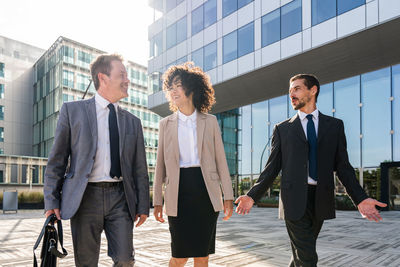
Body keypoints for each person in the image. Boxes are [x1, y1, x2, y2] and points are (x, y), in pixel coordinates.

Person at [235, 74, 387, 267]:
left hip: (320, 199)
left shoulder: (334, 126)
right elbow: (271, 168)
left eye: (297, 89)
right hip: (293, 199)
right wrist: (251, 195)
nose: (291, 94)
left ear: (313, 90)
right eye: (290, 91)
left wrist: (360, 198)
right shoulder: (282, 129)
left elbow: (343, 167)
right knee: (307, 256)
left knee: (302, 253)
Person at [43, 54, 149, 267]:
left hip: (121, 197)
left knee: (125, 259)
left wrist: (143, 204)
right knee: (86, 263)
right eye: (122, 75)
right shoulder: (72, 111)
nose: (128, 80)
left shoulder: (133, 122)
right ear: (103, 78)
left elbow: (140, 168)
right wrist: (51, 200)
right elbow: (57, 160)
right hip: (84, 198)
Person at [153, 63, 234, 267]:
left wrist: (229, 197)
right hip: (177, 192)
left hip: (206, 191)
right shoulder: (165, 124)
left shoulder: (211, 121)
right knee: (179, 256)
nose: (173, 90)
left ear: (191, 87)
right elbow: (160, 166)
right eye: (170, 87)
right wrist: (157, 201)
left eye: (178, 85)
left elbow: (221, 161)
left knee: (202, 255)